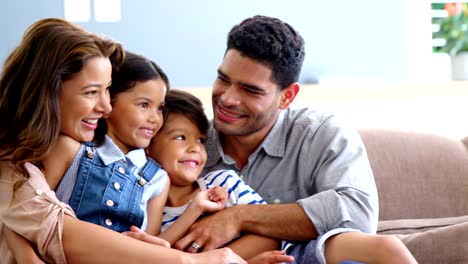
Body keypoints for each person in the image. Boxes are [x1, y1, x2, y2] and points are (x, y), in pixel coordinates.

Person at [171, 15, 417, 264]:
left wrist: (239, 216)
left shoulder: (320, 134)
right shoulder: (182, 148)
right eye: (223, 80)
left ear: (287, 96)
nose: (227, 99)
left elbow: (357, 215)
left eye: (250, 90)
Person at [0, 17, 245, 264]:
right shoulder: (44, 156)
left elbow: (29, 220)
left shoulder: (156, 177)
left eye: (106, 90)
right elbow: (45, 226)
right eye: (91, 92)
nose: (105, 106)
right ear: (48, 91)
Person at [140, 89, 294, 263]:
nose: (195, 148)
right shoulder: (145, 209)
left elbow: (272, 235)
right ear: (148, 147)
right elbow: (150, 257)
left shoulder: (223, 183)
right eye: (181, 137)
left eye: (200, 140)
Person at [52, 51, 170, 236]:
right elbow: (33, 215)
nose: (155, 118)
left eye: (160, 108)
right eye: (144, 105)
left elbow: (152, 246)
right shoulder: (70, 150)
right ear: (109, 101)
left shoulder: (158, 179)